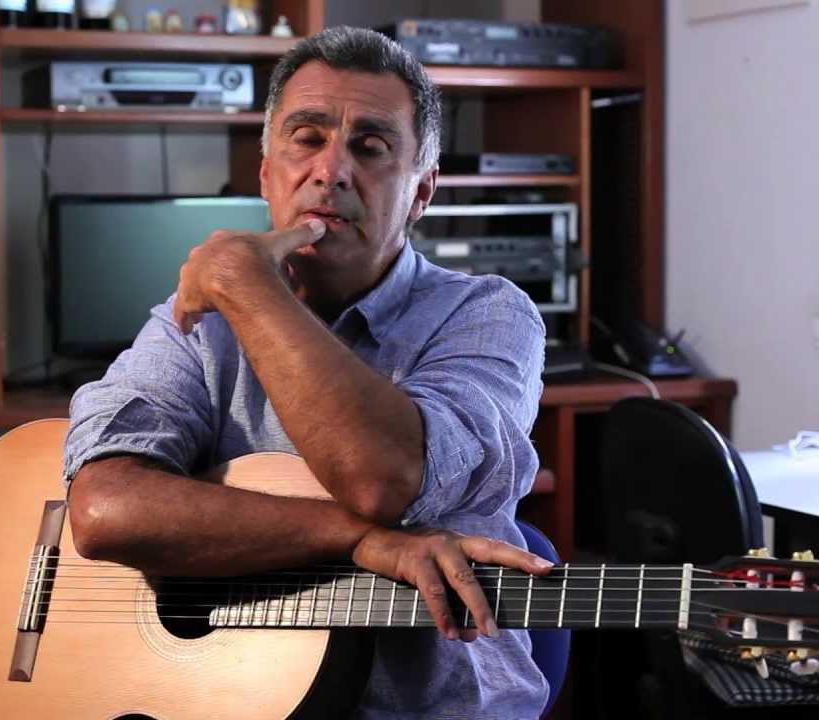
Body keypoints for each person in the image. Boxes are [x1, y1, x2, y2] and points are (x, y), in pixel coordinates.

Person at [63, 26, 552, 719]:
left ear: (421, 191)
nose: (332, 171)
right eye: (307, 138)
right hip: (235, 700)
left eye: (371, 147)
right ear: (267, 175)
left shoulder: (489, 315)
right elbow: (103, 509)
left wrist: (246, 283)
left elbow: (380, 479)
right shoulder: (199, 323)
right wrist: (358, 539)